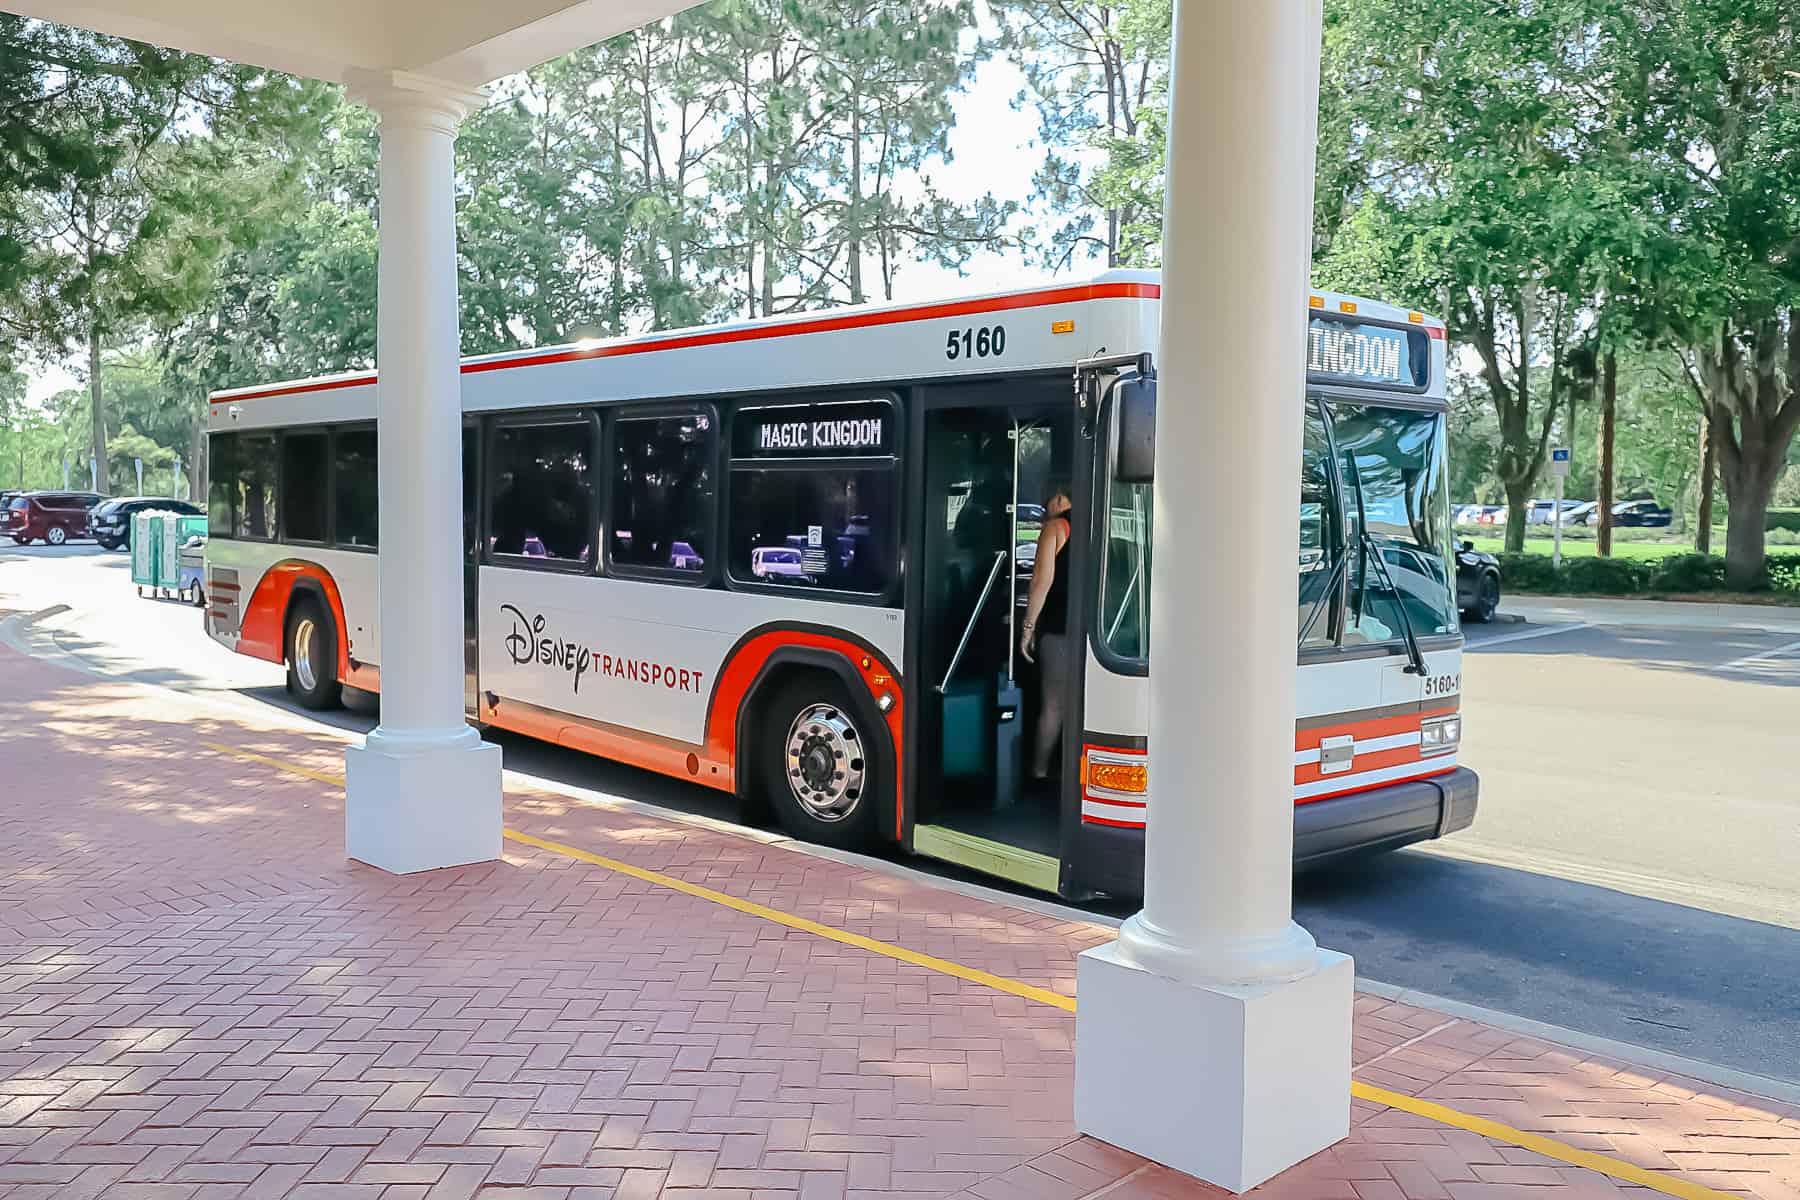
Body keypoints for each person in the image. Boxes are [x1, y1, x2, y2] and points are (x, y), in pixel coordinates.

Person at [1019, 481, 1073, 782]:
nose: (1043, 513)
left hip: (1059, 630)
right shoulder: (1099, 520)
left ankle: (1038, 773)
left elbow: (1041, 582)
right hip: (1091, 635)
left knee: (1053, 706)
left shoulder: (1057, 528)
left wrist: (1028, 628)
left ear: (1060, 498)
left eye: (1045, 504)